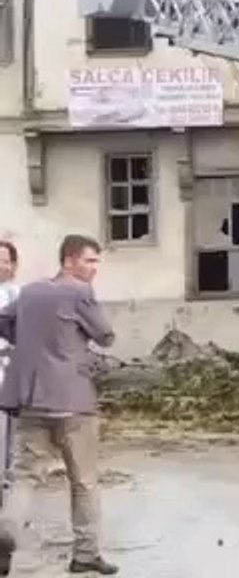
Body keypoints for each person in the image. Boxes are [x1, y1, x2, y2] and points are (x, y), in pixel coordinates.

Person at [0, 235, 117, 575]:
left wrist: (30, 343)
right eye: (89, 261)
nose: (94, 269)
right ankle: (85, 554)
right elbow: (105, 335)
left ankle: (6, 530)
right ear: (68, 260)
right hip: (73, 401)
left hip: (31, 399)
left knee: (23, 476)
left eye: (97, 262)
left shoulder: (31, 292)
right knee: (84, 481)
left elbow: (3, 321)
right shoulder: (80, 292)